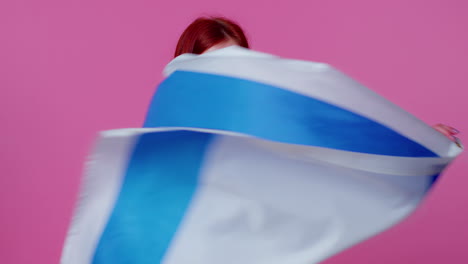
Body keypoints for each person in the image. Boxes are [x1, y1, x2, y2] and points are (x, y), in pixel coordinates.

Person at [174, 16, 460, 143]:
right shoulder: (172, 122)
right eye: (213, 62)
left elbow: (338, 133)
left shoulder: (265, 110)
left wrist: (417, 136)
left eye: (234, 60)